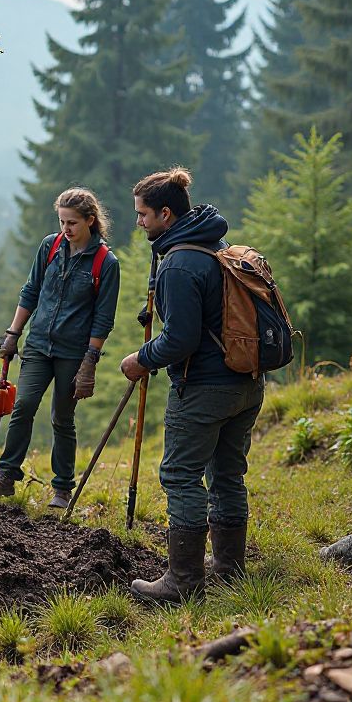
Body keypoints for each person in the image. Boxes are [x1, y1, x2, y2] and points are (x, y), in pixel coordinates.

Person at [120, 167, 263, 605]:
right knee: (227, 474)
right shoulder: (216, 247)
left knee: (180, 475)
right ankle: (228, 568)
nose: (139, 222)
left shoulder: (180, 265)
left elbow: (180, 339)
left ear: (166, 214)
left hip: (203, 388)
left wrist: (139, 360)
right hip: (247, 383)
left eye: (143, 215)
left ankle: (183, 581)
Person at [0, 188, 120, 510]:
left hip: (73, 353)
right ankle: (6, 476)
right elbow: (31, 291)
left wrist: (91, 361)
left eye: (72, 222)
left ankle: (62, 488)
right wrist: (13, 333)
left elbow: (104, 318)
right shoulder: (51, 246)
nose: (66, 229)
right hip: (38, 344)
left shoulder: (106, 262)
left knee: (62, 418)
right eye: (61, 221)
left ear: (90, 220)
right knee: (23, 405)